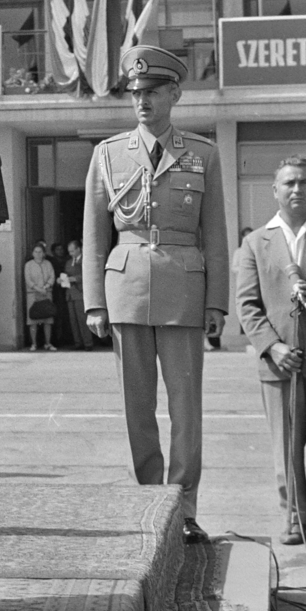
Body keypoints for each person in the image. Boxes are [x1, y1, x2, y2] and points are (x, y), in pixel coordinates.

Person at [83, 44, 227, 544]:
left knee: (186, 407)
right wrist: (94, 301)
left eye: (152, 92)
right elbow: (94, 234)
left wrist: (216, 302)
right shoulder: (107, 155)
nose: (141, 101)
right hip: (125, 288)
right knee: (136, 405)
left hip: (185, 290)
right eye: (135, 92)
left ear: (174, 94)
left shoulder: (203, 154)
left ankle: (184, 507)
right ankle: (151, 500)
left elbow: (216, 234)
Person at [234, 158, 306, 548]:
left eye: (304, 182)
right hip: (277, 362)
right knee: (284, 447)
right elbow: (247, 305)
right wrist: (273, 346)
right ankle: (293, 519)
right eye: (288, 183)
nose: (296, 189)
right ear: (275, 190)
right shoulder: (255, 242)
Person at [24, 241, 57, 351]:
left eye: (40, 252)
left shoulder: (48, 264)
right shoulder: (28, 265)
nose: (38, 254)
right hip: (32, 295)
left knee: (48, 320)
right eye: (36, 252)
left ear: (44, 253)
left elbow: (52, 277)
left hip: (47, 294)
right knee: (32, 320)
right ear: (32, 253)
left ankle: (48, 343)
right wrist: (38, 289)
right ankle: (34, 344)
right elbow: (28, 280)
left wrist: (46, 287)